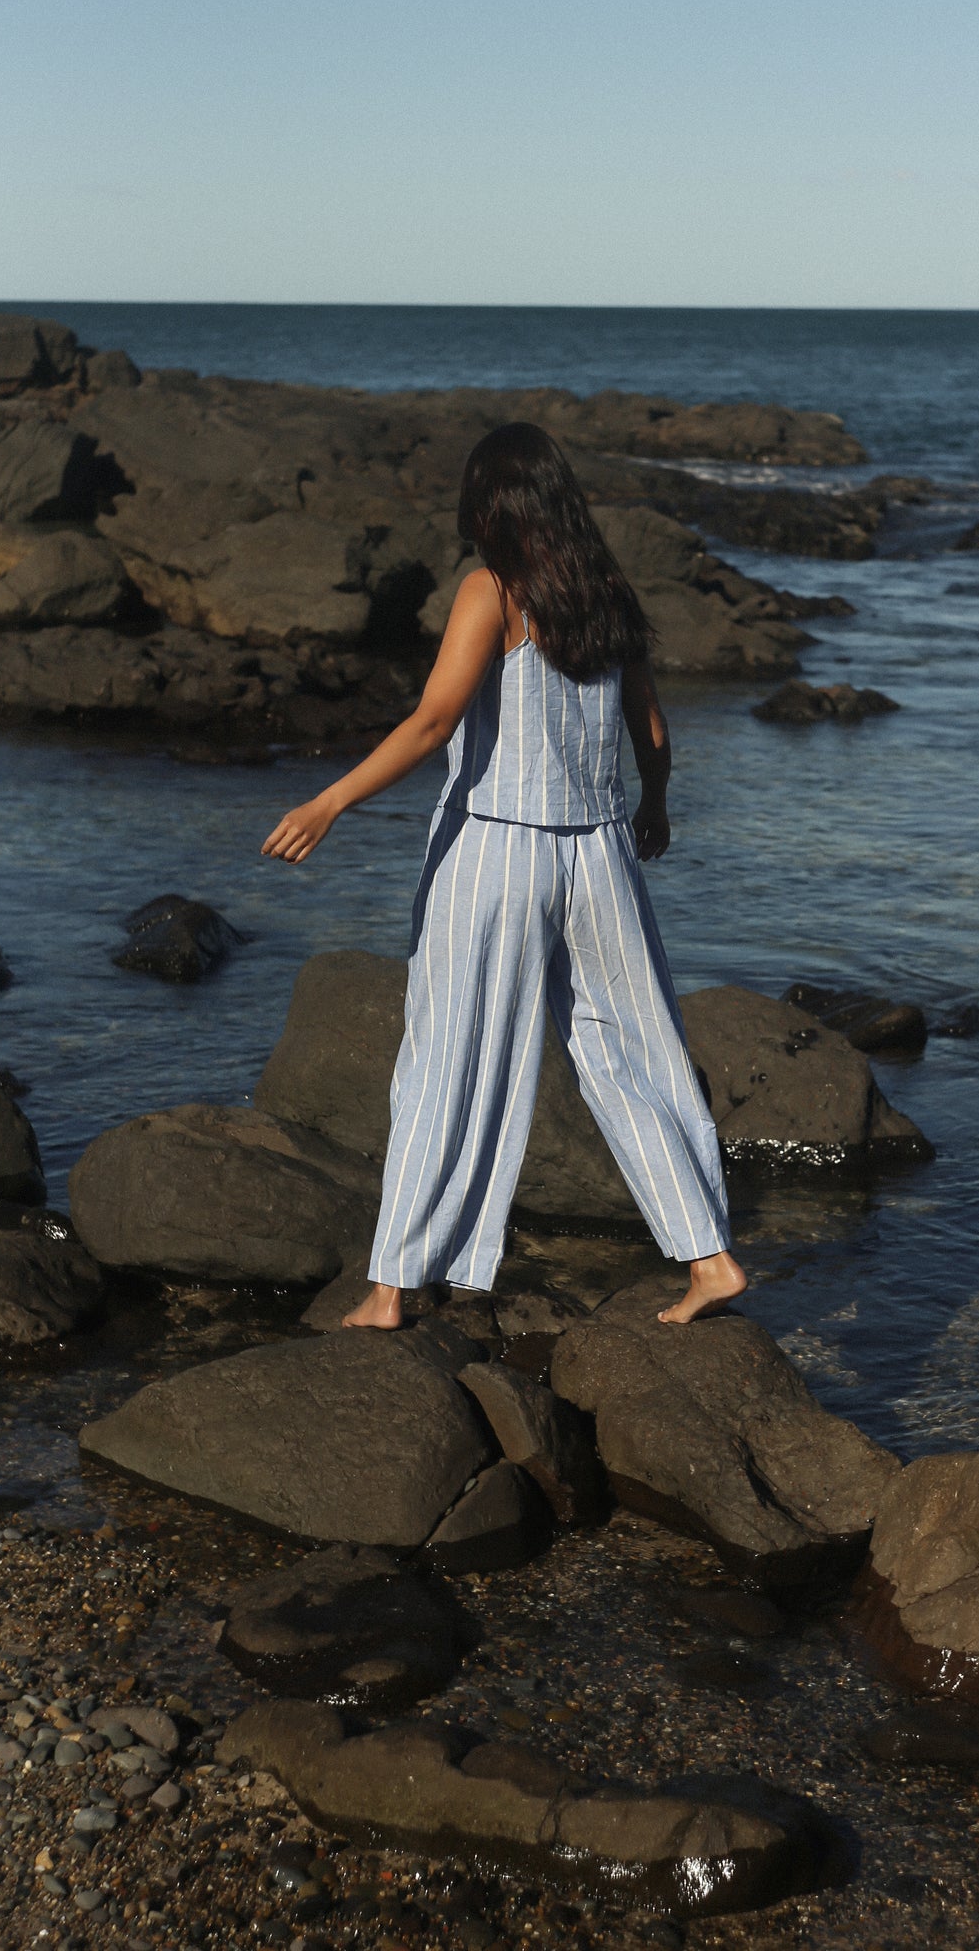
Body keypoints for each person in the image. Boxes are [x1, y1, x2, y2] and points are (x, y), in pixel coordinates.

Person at [261, 422, 746, 1327]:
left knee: (448, 1056)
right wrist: (656, 806)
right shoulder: (603, 590)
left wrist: (329, 803)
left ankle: (391, 1288)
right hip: (601, 854)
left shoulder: (494, 590)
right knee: (634, 1055)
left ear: (490, 505)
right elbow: (651, 727)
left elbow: (433, 724)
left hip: (499, 850)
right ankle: (710, 1259)